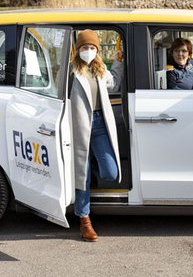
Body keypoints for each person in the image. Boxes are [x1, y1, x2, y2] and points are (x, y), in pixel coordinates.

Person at [70, 29, 123, 241]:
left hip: (100, 124)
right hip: (79, 125)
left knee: (110, 172)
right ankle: (84, 220)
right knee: (81, 176)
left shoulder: (100, 70)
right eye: (85, 48)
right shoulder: (71, 72)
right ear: (78, 50)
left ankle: (89, 173)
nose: (88, 51)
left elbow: (115, 83)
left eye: (92, 48)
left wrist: (119, 61)